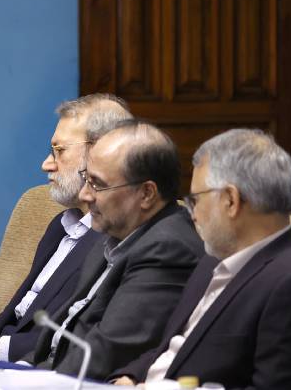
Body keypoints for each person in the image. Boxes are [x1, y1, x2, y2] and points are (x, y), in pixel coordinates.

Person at [110, 129, 291, 389]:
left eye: (195, 200)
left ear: (231, 200)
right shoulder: (213, 260)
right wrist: (131, 377)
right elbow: (174, 347)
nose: (192, 213)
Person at [0, 94, 132, 362]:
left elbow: (75, 337)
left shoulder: (118, 237)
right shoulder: (60, 225)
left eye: (60, 150)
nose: (46, 164)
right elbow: (18, 316)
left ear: (102, 152)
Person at [25, 120, 203, 380]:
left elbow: (105, 353)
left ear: (146, 194)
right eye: (86, 178)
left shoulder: (168, 250)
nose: (85, 195)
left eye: (97, 183)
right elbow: (63, 337)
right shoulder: (113, 230)